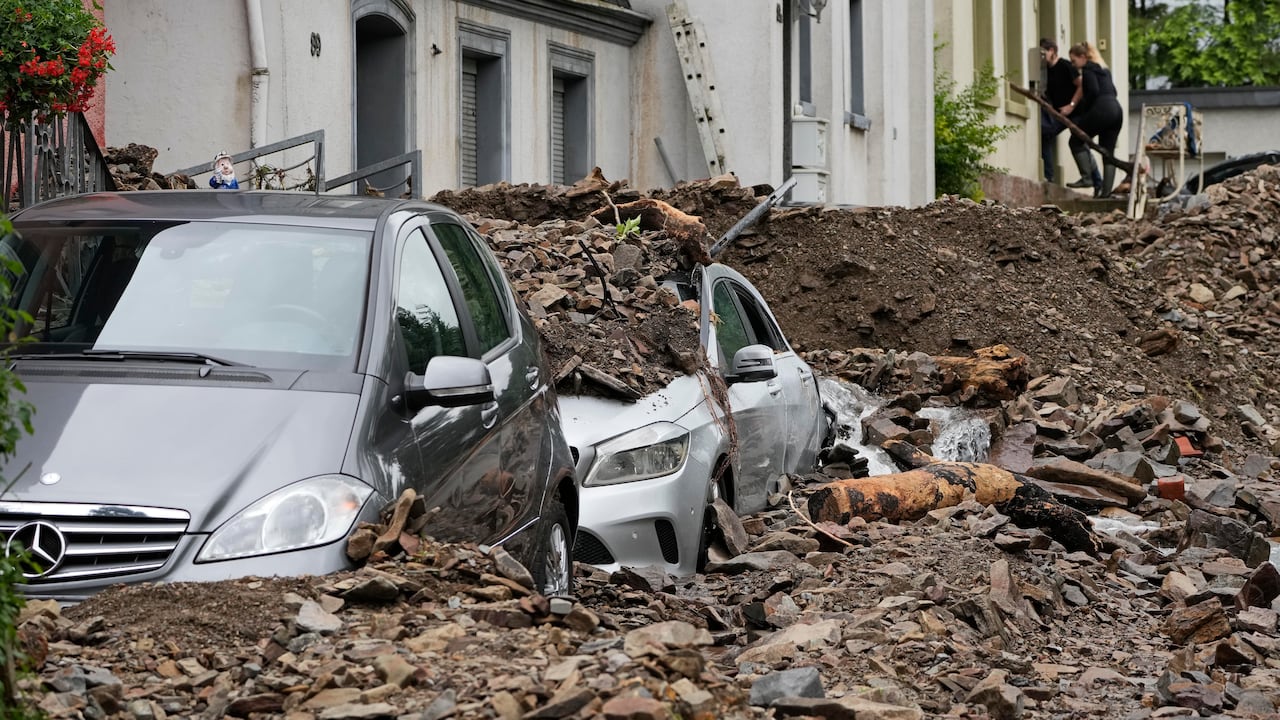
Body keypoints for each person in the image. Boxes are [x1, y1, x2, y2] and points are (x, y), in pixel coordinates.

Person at [1067, 42, 1123, 198]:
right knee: (1108, 152)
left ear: (1083, 57)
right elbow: (1114, 91)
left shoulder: (1088, 69)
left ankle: (1087, 178)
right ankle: (1106, 193)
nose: (1073, 65)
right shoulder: (1104, 70)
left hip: (1102, 109)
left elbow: (1092, 91)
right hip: (1117, 111)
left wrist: (1085, 113)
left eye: (1073, 61)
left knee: (1076, 140)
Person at [1039, 38, 1080, 184]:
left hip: (1074, 112)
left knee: (1080, 141)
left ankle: (1096, 180)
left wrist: (1072, 105)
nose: (1042, 56)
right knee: (1047, 134)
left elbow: (1081, 85)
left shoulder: (1066, 66)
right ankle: (1049, 176)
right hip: (1058, 113)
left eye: (1044, 52)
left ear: (1052, 51)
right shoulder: (1045, 71)